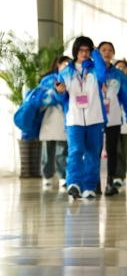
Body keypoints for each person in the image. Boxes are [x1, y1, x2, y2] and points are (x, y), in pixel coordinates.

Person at [58, 36, 107, 200]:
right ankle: (73, 183)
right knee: (75, 151)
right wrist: (61, 92)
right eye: (81, 50)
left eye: (88, 50)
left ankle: (89, 187)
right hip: (74, 120)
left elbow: (103, 75)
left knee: (93, 153)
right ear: (75, 51)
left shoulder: (95, 68)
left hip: (95, 118)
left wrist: (96, 54)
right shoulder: (66, 72)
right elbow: (61, 98)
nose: (84, 54)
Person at [13, 55, 71, 188]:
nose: (67, 67)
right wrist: (55, 94)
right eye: (65, 64)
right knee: (48, 149)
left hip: (65, 118)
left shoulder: (72, 79)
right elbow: (42, 98)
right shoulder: (49, 80)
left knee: (62, 149)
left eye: (69, 64)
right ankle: (47, 175)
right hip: (49, 118)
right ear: (58, 65)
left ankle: (63, 176)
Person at [96, 41, 127, 196]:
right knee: (95, 151)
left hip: (114, 118)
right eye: (103, 50)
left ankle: (110, 182)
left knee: (112, 151)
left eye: (110, 50)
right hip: (95, 117)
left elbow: (126, 96)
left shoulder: (119, 75)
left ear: (113, 53)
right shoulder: (91, 71)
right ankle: (95, 183)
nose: (106, 52)